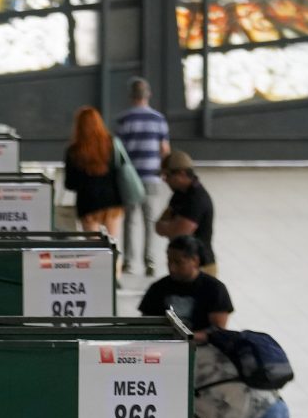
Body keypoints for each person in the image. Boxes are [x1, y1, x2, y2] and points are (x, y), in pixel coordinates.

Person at [113, 77, 171, 275]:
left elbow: (117, 151)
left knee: (130, 220)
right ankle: (150, 262)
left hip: (130, 178)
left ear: (131, 96)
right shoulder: (159, 119)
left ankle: (128, 263)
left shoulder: (123, 119)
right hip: (152, 177)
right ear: (149, 95)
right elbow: (164, 149)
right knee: (150, 221)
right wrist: (164, 171)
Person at [60, 106, 128, 246]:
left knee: (95, 249)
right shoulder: (112, 144)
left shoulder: (73, 151)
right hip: (112, 201)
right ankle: (115, 268)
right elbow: (122, 169)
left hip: (88, 204)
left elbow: (70, 184)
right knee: (113, 246)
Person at [135, 237, 230, 333]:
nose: (172, 268)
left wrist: (190, 338)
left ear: (195, 261)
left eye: (178, 262)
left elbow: (218, 331)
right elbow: (145, 324)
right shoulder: (158, 288)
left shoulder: (215, 289)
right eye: (169, 261)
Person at [155, 152, 215, 271]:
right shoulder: (179, 194)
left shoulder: (196, 199)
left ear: (182, 174)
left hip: (200, 268)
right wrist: (171, 226)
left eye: (167, 176)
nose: (165, 180)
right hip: (181, 264)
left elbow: (179, 232)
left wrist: (168, 226)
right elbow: (158, 226)